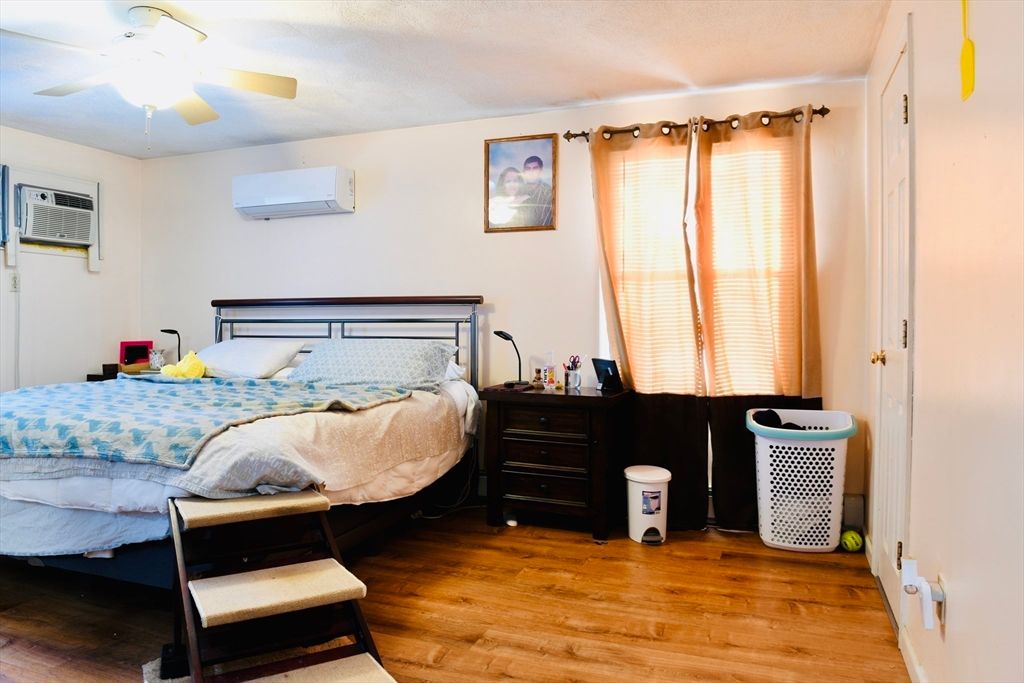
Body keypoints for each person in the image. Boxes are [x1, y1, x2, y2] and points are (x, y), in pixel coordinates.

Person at [520, 155, 553, 226]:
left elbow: (547, 223)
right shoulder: (518, 191)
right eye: (528, 168)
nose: (531, 172)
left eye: (535, 168)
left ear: (541, 171)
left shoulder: (549, 192)